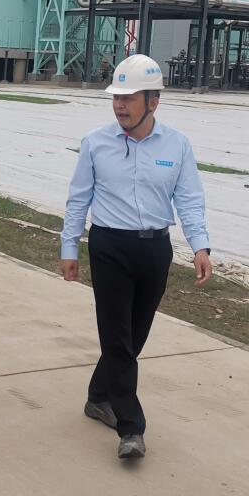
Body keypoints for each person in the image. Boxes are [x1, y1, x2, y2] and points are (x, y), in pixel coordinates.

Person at [60, 53, 212, 461]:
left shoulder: (177, 145)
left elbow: (189, 199)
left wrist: (200, 246)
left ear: (153, 101)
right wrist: (69, 247)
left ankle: (98, 397)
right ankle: (131, 428)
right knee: (117, 338)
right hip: (109, 246)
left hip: (154, 250)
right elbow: (78, 200)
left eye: (128, 98)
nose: (120, 106)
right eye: (116, 98)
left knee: (134, 336)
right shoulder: (96, 143)